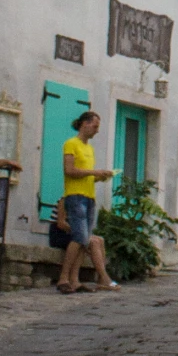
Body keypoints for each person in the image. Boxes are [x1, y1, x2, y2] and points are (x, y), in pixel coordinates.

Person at [57, 110, 120, 294]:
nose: (97, 130)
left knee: (84, 241)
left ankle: (75, 280)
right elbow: (69, 170)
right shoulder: (71, 144)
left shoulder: (89, 149)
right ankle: (63, 277)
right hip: (75, 196)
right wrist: (94, 172)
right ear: (84, 124)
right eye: (95, 126)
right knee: (79, 237)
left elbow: (85, 175)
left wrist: (100, 177)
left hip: (88, 196)